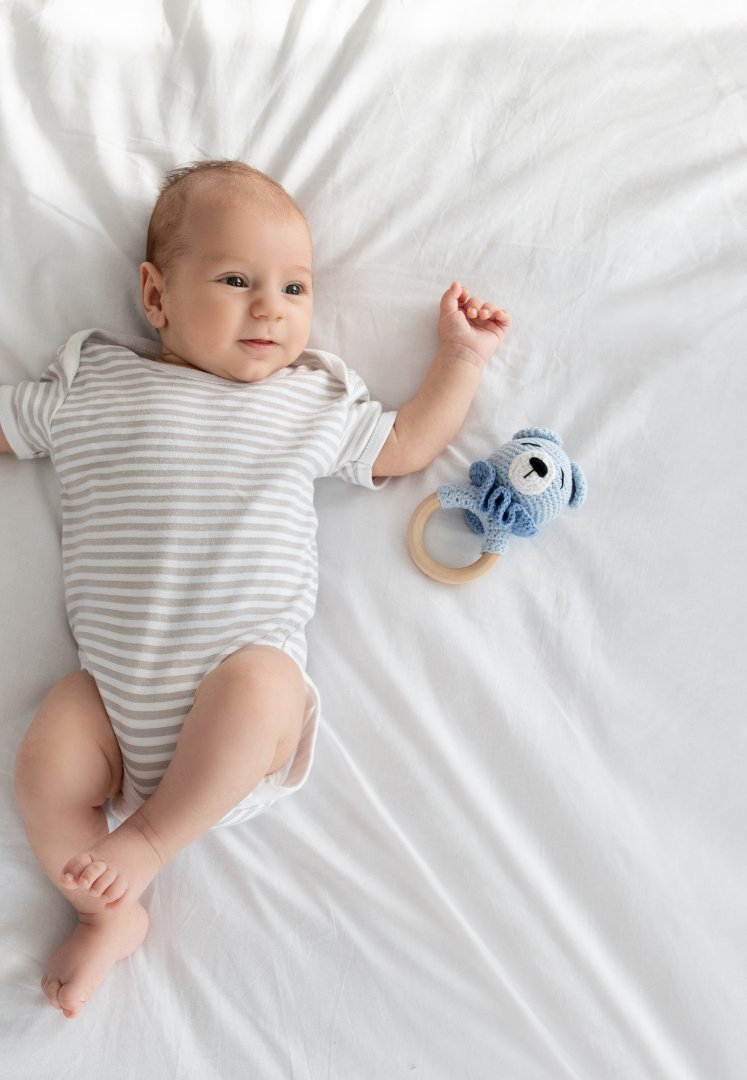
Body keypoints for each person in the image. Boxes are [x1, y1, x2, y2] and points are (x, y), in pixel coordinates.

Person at [0, 159, 510, 1019]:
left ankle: (149, 847)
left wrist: (459, 358)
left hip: (237, 714)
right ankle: (106, 912)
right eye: (236, 280)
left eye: (295, 286)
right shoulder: (91, 387)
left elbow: (407, 446)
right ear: (156, 297)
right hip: (114, 719)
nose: (271, 307)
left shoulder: (306, 401)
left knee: (265, 677)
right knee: (47, 750)